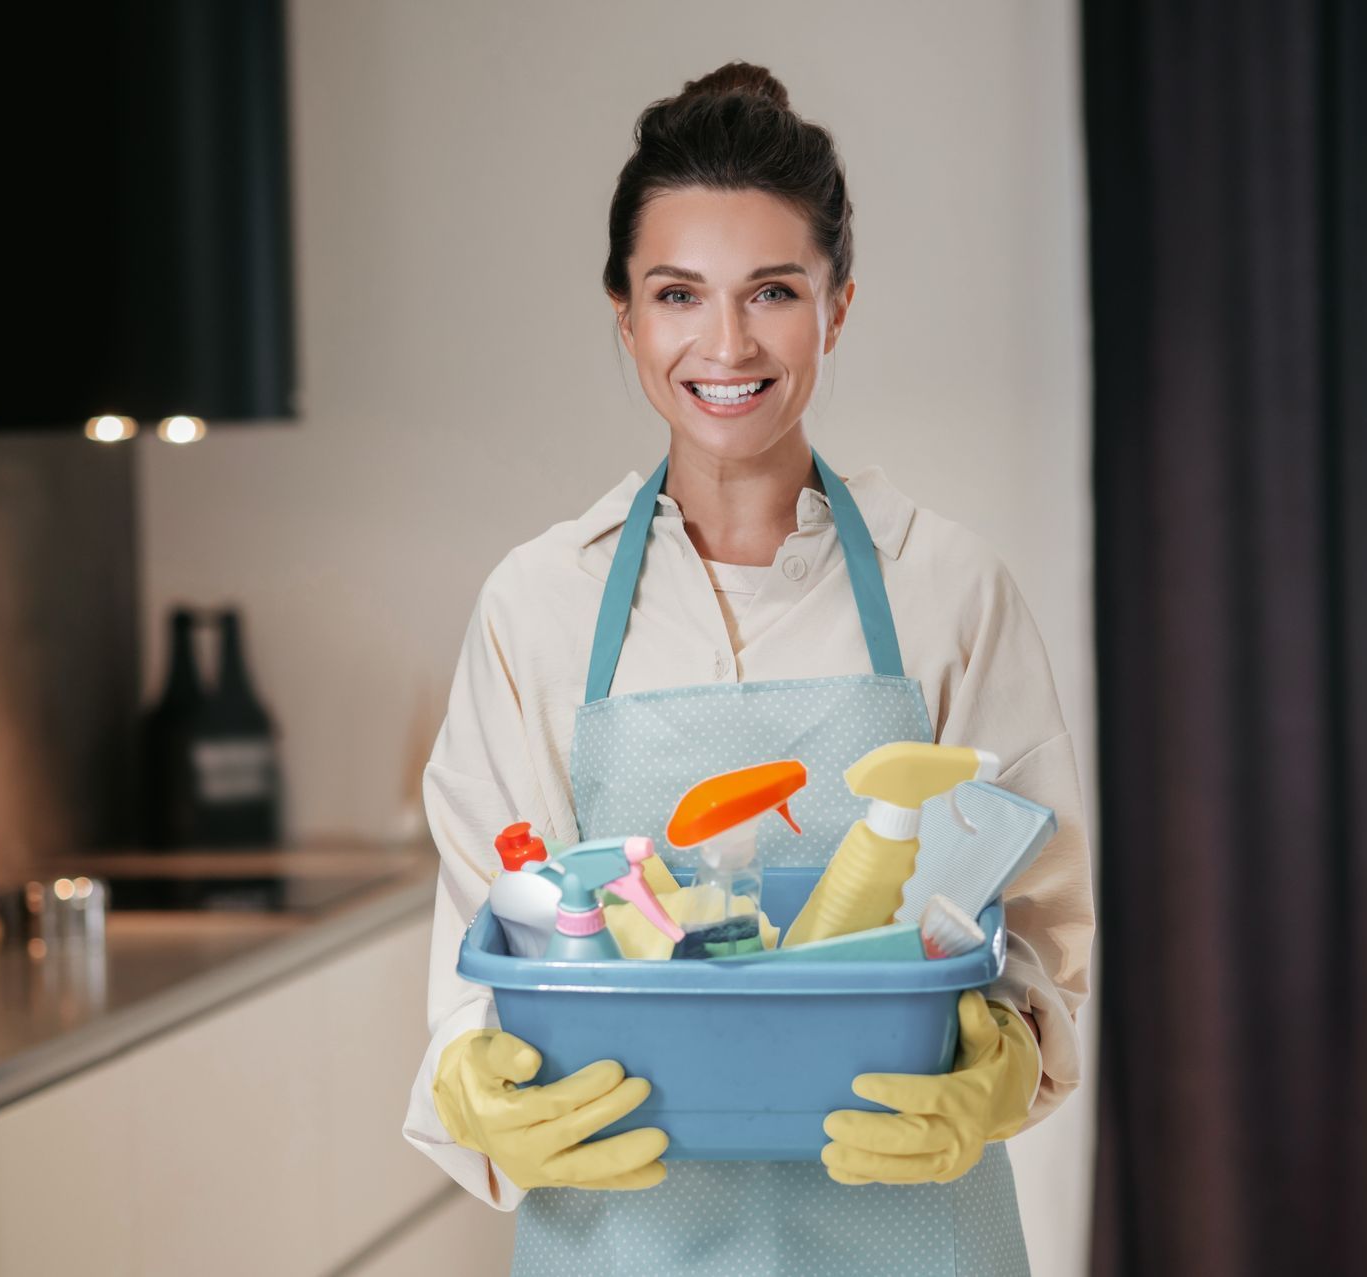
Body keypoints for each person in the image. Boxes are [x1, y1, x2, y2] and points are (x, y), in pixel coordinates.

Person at [402, 61, 1093, 1276]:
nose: (726, 343)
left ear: (837, 307)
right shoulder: (540, 607)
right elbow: (484, 941)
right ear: (624, 315)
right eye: (678, 294)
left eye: (772, 291)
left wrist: (1007, 1056)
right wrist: (476, 1074)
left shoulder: (949, 589)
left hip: (913, 1238)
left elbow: (1039, 925)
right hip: (629, 1240)